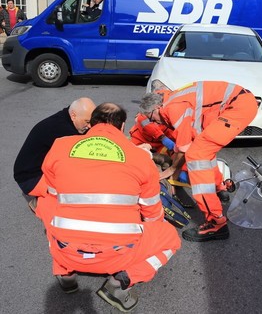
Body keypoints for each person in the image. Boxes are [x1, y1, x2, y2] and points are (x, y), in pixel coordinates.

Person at [37, 103, 181, 312]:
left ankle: (65, 274)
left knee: (47, 203)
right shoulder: (140, 157)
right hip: (118, 255)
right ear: (122, 126)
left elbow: (52, 193)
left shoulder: (60, 145)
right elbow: (152, 213)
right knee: (171, 239)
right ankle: (121, 281)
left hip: (65, 249)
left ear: (91, 124)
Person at [139, 81, 258, 242]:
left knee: (196, 156)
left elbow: (184, 148)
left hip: (237, 107)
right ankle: (219, 188)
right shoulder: (170, 100)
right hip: (240, 103)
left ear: (156, 108)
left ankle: (216, 222)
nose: (156, 123)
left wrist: (171, 170)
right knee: (203, 149)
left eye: (152, 118)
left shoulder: (173, 108)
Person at [13, 97, 96, 203]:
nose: (89, 126)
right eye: (87, 121)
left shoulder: (67, 118)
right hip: (31, 179)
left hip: (32, 171)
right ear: (73, 115)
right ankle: (40, 203)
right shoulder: (62, 131)